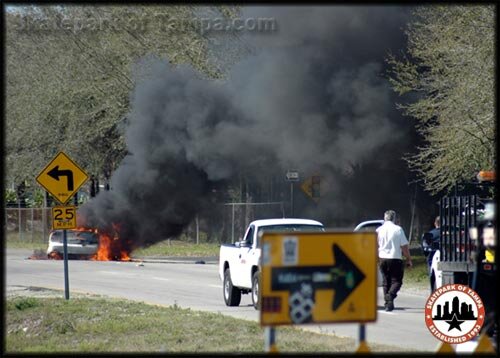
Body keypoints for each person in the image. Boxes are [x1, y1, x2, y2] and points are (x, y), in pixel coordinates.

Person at [376, 210, 413, 311]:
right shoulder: (398, 229)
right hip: (395, 258)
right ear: (394, 218)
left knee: (386, 281)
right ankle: (390, 296)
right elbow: (404, 246)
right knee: (397, 281)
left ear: (385, 218)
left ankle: (388, 304)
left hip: (382, 259)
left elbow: (375, 245)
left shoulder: (379, 230)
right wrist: (408, 259)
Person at [421, 216, 440, 291]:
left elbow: (424, 249)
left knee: (433, 278)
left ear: (435, 223)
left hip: (433, 260)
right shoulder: (453, 233)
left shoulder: (430, 234)